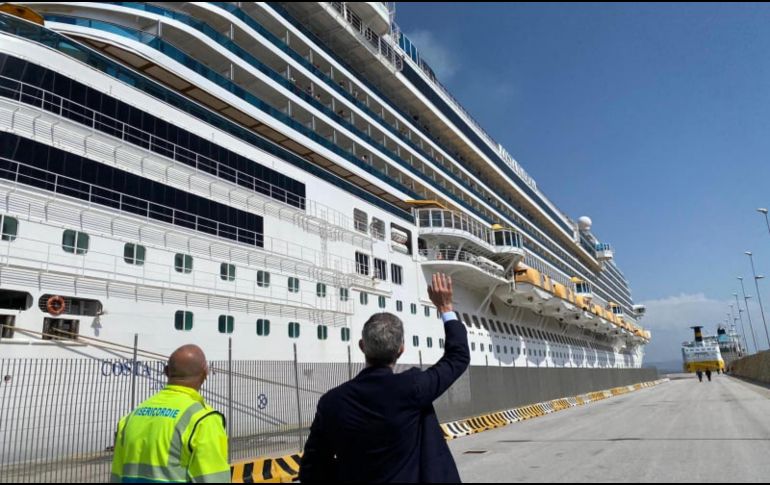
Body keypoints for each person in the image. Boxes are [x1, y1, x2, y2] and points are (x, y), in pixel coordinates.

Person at [299, 273, 470, 483]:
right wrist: (445, 308)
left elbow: (312, 469)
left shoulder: (332, 403)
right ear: (401, 349)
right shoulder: (414, 388)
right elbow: (458, 357)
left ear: (362, 346)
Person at [111, 345, 230, 483]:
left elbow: (116, 476)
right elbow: (214, 479)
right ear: (205, 374)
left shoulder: (131, 418)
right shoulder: (203, 420)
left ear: (166, 371)